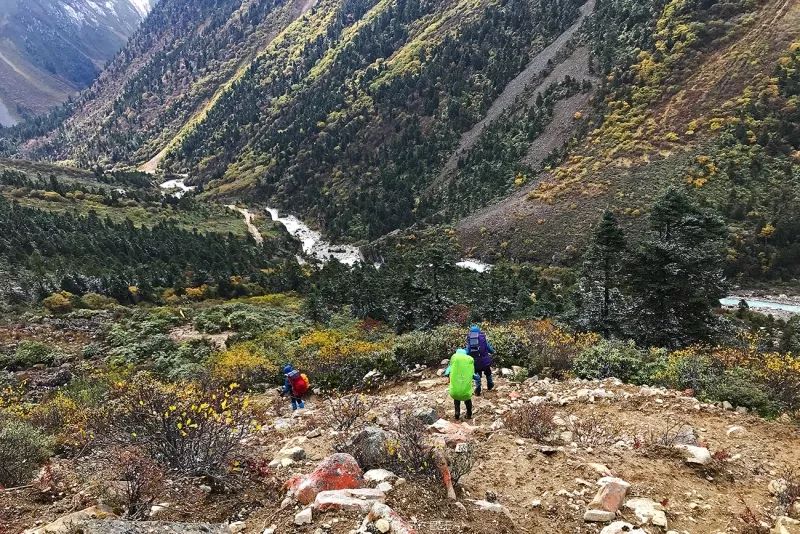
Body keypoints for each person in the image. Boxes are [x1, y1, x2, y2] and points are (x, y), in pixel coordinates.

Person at [443, 348, 480, 420]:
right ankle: (469, 414)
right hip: (466, 392)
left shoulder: (454, 362)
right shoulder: (469, 363)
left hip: (455, 392)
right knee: (467, 400)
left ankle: (457, 413)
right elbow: (475, 377)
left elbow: (446, 373)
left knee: (456, 399)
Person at [465, 325, 495, 395]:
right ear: (479, 331)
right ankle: (490, 384)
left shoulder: (470, 340)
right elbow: (490, 349)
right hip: (485, 362)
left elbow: (468, 351)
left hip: (476, 362)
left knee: (477, 373)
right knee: (488, 372)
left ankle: (478, 388)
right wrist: (492, 351)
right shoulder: (483, 339)